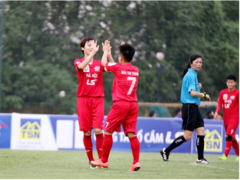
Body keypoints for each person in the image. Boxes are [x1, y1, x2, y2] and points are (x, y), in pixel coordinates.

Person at [91, 40, 141, 171]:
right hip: (133, 105)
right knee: (132, 134)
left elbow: (104, 64)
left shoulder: (118, 68)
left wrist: (106, 52)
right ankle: (136, 162)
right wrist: (118, 53)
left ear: (120, 57)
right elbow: (117, 66)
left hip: (120, 104)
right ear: (132, 57)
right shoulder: (136, 70)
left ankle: (104, 161)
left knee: (107, 131)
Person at [160, 54, 211, 164]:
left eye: (200, 62)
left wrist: (198, 86)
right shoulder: (191, 74)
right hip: (189, 107)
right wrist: (203, 95)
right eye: (197, 62)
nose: (199, 64)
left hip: (194, 107)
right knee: (187, 136)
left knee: (201, 131)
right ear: (191, 63)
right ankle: (166, 150)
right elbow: (192, 93)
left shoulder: (192, 74)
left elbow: (192, 87)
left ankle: (200, 158)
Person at [74, 38, 113, 169]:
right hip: (83, 100)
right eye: (88, 45)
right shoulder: (79, 61)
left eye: (93, 45)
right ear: (82, 48)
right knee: (86, 133)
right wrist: (93, 53)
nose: (91, 47)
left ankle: (102, 160)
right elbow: (81, 66)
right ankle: (91, 160)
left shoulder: (98, 63)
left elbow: (112, 68)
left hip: (97, 100)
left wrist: (108, 54)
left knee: (98, 130)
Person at [214, 75, 239, 161]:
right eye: (228, 82)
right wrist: (217, 112)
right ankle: (239, 155)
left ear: (235, 83)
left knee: (228, 134)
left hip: (235, 118)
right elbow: (219, 104)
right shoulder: (222, 93)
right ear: (226, 83)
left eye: (232, 82)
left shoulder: (238, 93)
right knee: (231, 137)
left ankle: (225, 155)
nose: (230, 84)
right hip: (226, 119)